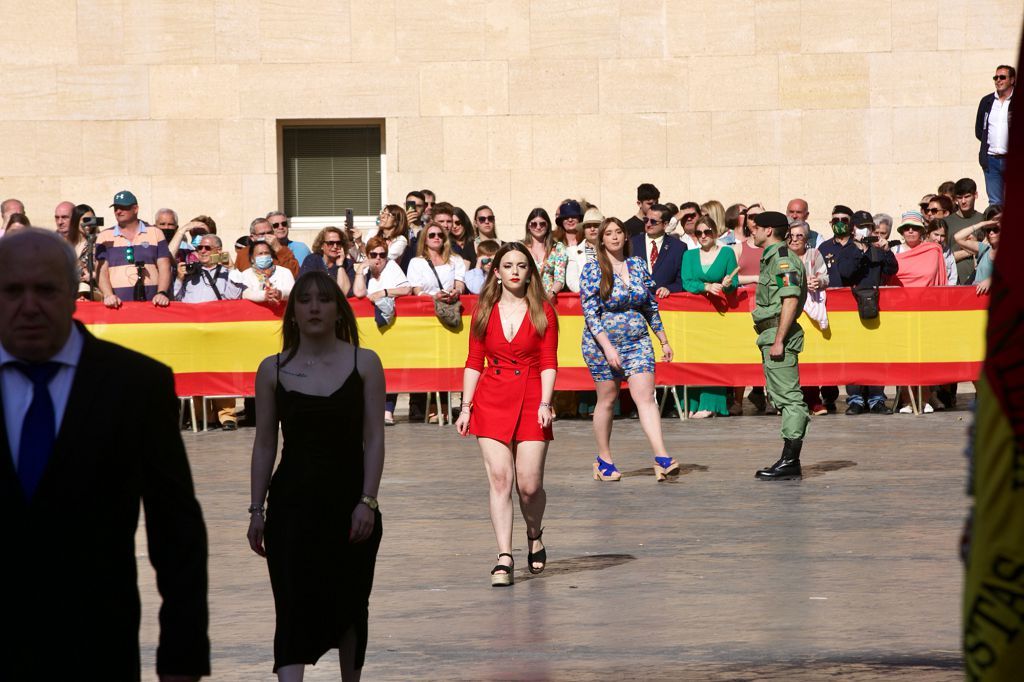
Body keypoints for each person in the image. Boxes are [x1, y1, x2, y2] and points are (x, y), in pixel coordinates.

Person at [1, 228, 209, 679]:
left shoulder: (136, 385)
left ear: (75, 292)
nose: (30, 305)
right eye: (13, 290)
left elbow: (176, 532)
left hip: (96, 648)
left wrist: (182, 657)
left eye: (46, 289)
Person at [247, 271, 384, 681]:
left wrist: (367, 501)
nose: (313, 308)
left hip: (349, 506)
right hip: (291, 508)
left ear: (338, 309)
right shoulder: (272, 369)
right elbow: (265, 444)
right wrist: (257, 509)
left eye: (322, 300)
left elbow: (375, 438)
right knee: (290, 606)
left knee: (350, 605)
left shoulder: (365, 362)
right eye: (304, 300)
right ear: (292, 313)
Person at [454, 242, 558, 585]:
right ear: (496, 272)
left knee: (529, 485)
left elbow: (548, 362)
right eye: (508, 265)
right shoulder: (483, 311)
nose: (515, 271)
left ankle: (534, 533)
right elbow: (473, 362)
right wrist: (465, 407)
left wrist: (546, 403)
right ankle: (504, 555)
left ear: (530, 272)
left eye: (522, 265)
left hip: (531, 397)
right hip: (492, 397)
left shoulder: (544, 310)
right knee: (501, 478)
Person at [580, 218, 678, 482]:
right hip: (602, 345)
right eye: (608, 233)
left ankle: (661, 457)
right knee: (608, 400)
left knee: (645, 397)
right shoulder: (592, 270)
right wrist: (608, 348)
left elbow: (650, 306)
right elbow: (590, 313)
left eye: (618, 232)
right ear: (601, 240)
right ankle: (604, 459)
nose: (614, 237)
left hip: (638, 342)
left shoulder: (637, 265)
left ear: (625, 237)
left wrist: (663, 340)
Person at [748, 211, 810, 480]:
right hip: (770, 333)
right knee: (780, 396)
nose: (753, 232)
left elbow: (790, 300)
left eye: (756, 227)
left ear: (769, 230)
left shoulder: (784, 261)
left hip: (777, 334)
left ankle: (790, 460)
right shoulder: (772, 258)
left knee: (789, 398)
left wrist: (779, 339)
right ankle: (788, 459)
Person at [680, 215, 739, 418]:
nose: (703, 236)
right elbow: (686, 282)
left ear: (715, 232)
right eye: (699, 233)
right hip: (693, 315)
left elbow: (734, 283)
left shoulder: (727, 253)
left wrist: (728, 284)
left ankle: (710, 404)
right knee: (694, 357)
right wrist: (705, 286)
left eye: (707, 232)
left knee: (713, 357)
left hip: (717, 314)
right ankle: (691, 402)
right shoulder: (689, 255)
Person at [353, 236, 411, 425]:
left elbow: (406, 289)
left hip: (389, 326)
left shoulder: (392, 267)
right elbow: (359, 293)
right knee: (369, 368)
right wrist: (360, 271)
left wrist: (384, 292)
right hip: (370, 330)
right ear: (367, 255)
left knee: (390, 365)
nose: (378, 259)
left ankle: (388, 410)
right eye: (374, 254)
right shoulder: (366, 270)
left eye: (382, 255)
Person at [95, 190, 174, 308]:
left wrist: (161, 293)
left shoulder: (155, 233)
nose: (118, 211)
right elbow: (101, 271)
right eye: (116, 208)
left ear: (135, 209)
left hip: (153, 305)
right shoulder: (104, 236)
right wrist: (108, 295)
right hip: (117, 306)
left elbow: (164, 266)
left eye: (123, 207)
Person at [975, 65, 1015, 206]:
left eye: (1002, 77)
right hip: (991, 161)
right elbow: (980, 131)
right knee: (995, 203)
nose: (998, 80)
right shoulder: (987, 101)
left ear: (1012, 80)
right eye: (996, 77)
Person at [630, 203, 686, 298]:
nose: (648, 224)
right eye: (646, 220)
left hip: (665, 304)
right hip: (637, 303)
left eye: (653, 222)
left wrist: (669, 289)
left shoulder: (678, 247)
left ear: (665, 224)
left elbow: (681, 280)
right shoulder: (632, 244)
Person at [522, 207, 567, 298]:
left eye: (542, 224)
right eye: (534, 224)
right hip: (525, 298)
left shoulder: (558, 248)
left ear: (548, 226)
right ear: (528, 226)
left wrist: (551, 294)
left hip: (549, 299)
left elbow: (560, 278)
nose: (538, 227)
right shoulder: (521, 248)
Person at [235, 218, 301, 278]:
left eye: (269, 233)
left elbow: (294, 274)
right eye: (262, 234)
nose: (266, 236)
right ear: (252, 237)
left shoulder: (283, 250)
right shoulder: (243, 253)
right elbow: (237, 278)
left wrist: (278, 249)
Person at [300, 226, 355, 296]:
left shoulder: (347, 263)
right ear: (321, 245)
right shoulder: (312, 260)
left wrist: (340, 265)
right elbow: (303, 286)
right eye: (330, 243)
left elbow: (347, 291)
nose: (335, 246)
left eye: (338, 243)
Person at [954, 215, 1000, 296]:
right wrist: (982, 224)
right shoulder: (984, 249)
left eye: (995, 230)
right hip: (976, 299)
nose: (991, 233)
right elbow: (958, 237)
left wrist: (991, 280)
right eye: (988, 230)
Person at [566, 206, 603, 293]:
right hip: (584, 299)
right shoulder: (573, 252)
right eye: (588, 226)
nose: (592, 229)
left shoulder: (610, 250)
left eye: (596, 225)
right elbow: (572, 281)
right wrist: (589, 292)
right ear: (583, 229)